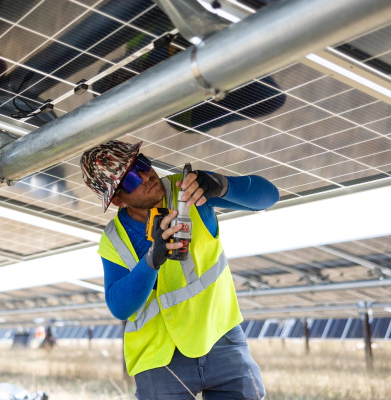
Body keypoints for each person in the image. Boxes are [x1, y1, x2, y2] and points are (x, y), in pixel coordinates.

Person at [81, 140, 279, 399]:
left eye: (141, 164)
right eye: (130, 180)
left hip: (219, 337)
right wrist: (152, 260)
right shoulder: (114, 239)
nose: (145, 176)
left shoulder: (190, 189)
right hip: (158, 358)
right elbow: (120, 307)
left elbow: (268, 197)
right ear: (118, 199)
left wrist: (221, 185)